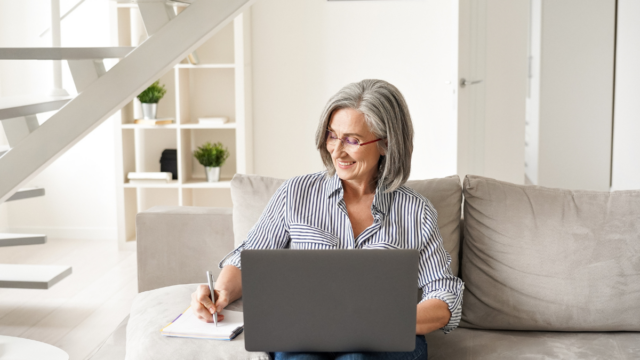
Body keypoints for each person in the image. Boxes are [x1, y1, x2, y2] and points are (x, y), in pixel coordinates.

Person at [190, 79, 464, 360]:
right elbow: (246, 259)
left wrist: (384, 323)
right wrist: (219, 292)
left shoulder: (416, 212)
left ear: (385, 144)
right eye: (332, 135)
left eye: (352, 140)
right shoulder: (296, 193)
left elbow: (444, 293)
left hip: (380, 343)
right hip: (304, 334)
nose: (337, 150)